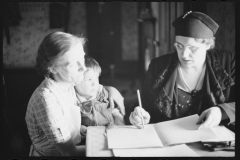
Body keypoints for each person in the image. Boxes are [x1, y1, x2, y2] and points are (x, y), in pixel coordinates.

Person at [129, 11, 235, 130]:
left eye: (193, 48)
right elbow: (143, 105)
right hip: (169, 143)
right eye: (179, 46)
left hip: (214, 144)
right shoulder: (157, 67)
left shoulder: (229, 63)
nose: (184, 55)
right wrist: (139, 115)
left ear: (209, 45)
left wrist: (221, 112)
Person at [25, 31, 125, 156]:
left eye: (82, 58)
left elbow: (95, 88)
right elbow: (69, 152)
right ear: (53, 68)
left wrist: (110, 89)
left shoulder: (68, 82)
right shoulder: (46, 100)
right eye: (73, 64)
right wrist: (118, 146)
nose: (83, 68)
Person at [74, 55, 125, 141]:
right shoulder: (73, 99)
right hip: (89, 140)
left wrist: (118, 123)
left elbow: (116, 113)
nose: (94, 84)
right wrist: (79, 128)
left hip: (110, 136)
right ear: (76, 81)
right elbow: (71, 123)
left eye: (96, 78)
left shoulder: (104, 94)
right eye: (88, 79)